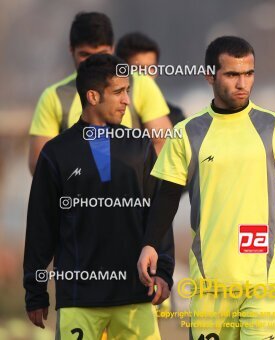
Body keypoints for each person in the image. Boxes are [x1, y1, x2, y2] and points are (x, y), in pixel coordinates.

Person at [137, 36, 275, 340]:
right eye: (232, 74)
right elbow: (168, 196)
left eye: (248, 73)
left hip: (264, 274)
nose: (243, 83)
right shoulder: (187, 133)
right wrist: (150, 244)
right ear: (210, 76)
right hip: (211, 278)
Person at [23, 54, 173, 339]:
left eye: (127, 91)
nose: (127, 100)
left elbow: (157, 213)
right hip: (79, 300)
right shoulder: (55, 154)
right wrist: (35, 291)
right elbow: (41, 226)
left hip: (136, 297)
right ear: (92, 96)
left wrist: (163, 271)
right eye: (118, 92)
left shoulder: (139, 147)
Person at [28, 12, 171, 175]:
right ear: (71, 50)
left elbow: (163, 141)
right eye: (85, 54)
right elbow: (40, 163)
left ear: (113, 48)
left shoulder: (140, 84)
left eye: (102, 54)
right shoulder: (54, 96)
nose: (93, 61)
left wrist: (138, 185)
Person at [115, 31, 186, 127]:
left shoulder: (174, 116)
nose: (144, 77)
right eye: (138, 70)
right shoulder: (109, 113)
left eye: (151, 68)